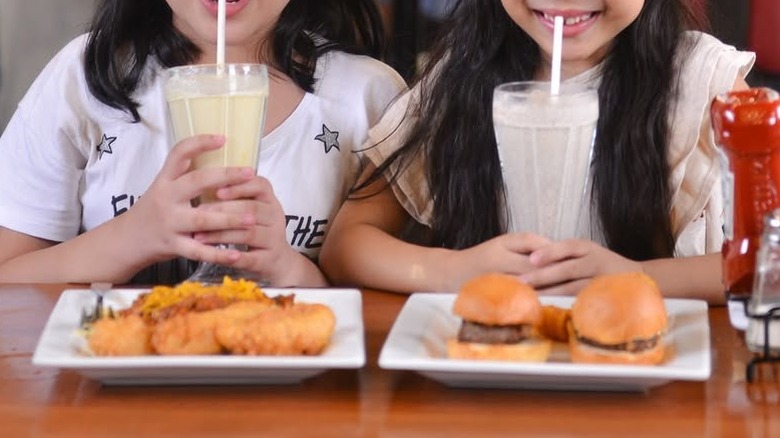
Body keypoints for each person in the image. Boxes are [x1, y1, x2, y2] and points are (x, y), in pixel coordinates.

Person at [320, 0, 755, 303]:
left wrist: (639, 277)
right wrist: (453, 271)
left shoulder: (705, 83)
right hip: (493, 377)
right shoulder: (460, 80)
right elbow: (346, 243)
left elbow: (768, 259)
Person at [0, 0, 406, 286]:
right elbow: (9, 276)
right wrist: (130, 238)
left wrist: (288, 269)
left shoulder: (368, 100)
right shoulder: (85, 77)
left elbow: (373, 316)